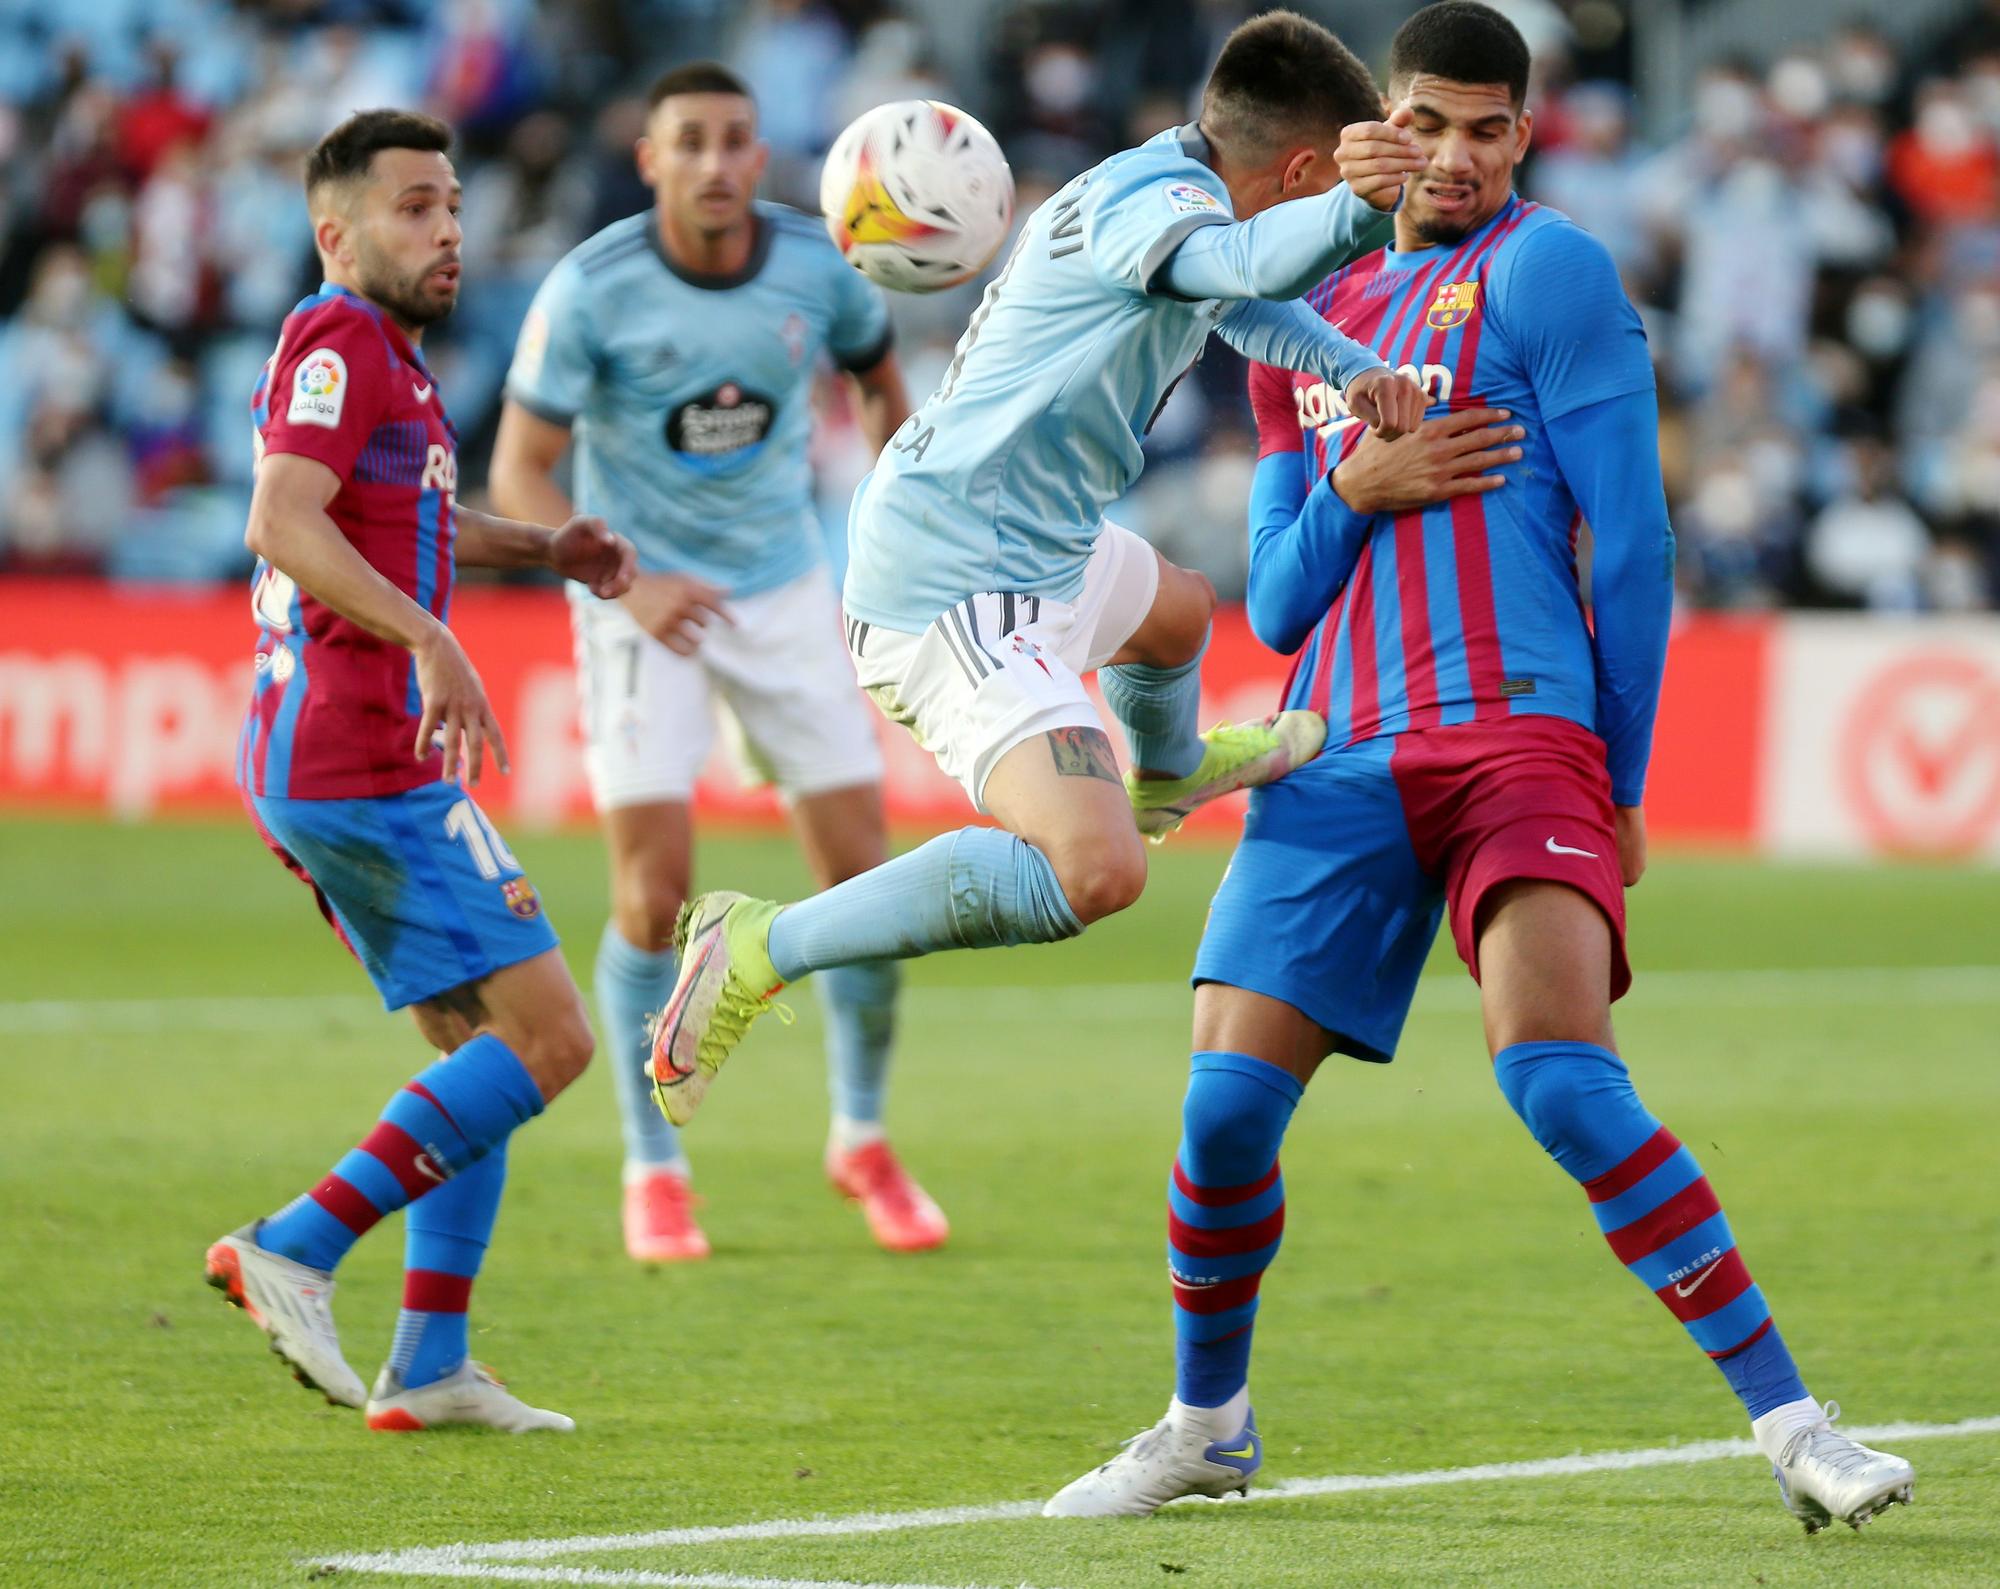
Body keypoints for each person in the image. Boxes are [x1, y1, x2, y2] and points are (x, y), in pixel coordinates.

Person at [1044, 1, 1916, 1532]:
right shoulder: (1294, 299)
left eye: (1487, 127)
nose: (1454, 156)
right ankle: (1206, 1421)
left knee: (1564, 1080)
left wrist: (1622, 776)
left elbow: (1633, 547)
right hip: (1337, 752)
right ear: (1379, 125)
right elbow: (1275, 600)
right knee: (1222, 1120)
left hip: (1520, 735)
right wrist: (1359, 487)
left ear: (1524, 133)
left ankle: (1796, 1427)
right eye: (1426, 123)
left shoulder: (1550, 270)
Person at [648, 10, 1429, 1127]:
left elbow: (1245, 301)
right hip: (953, 578)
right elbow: (1243, 261)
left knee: (1174, 610)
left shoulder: (1178, 196)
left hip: (1039, 540)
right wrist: (1360, 212)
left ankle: (1166, 771)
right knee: (1095, 871)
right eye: (1319, 188)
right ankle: (760, 941)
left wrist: (1354, 370)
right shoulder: (1144, 206)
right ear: (1302, 167)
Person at [205, 109, 638, 1434]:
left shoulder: (392, 361)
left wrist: (539, 546)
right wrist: (435, 633)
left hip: (338, 758)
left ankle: (433, 1359)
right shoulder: (339, 337)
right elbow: (280, 517)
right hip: (362, 756)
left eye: (452, 203)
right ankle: (293, 1243)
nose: (447, 228)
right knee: (551, 1038)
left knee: (473, 1051)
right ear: (336, 233)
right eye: (412, 207)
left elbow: (410, 516)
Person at [489, 62, 946, 1263]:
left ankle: (861, 1133)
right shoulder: (592, 289)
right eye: (686, 140)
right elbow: (518, 473)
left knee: (864, 884)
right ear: (650, 160)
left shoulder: (816, 263)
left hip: (785, 587)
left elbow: (881, 386)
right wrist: (625, 583)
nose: (712, 161)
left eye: (734, 140)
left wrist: (903, 528)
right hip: (640, 602)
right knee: (653, 894)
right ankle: (654, 1161)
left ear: (760, 156)